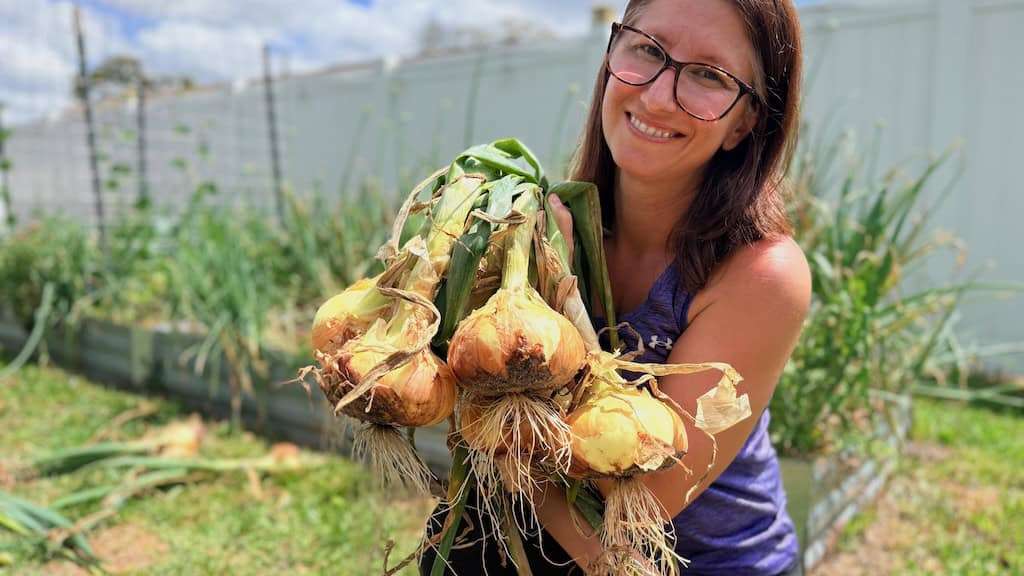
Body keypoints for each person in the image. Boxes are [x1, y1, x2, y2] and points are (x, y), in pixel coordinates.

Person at [419, 0, 809, 574]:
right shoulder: (549, 233)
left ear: (745, 122)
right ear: (610, 57)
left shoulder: (761, 274)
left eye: (707, 75)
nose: (656, 96)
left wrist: (485, 398)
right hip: (537, 534)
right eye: (648, 49)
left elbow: (629, 523)